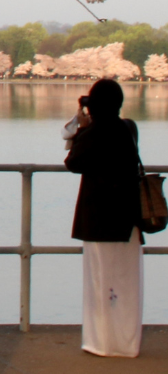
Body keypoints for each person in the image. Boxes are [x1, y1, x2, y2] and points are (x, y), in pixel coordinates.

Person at [63, 77, 143, 357]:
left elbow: (73, 162)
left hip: (98, 218)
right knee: (126, 283)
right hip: (128, 218)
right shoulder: (128, 128)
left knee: (100, 281)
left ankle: (101, 342)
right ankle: (127, 342)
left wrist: (83, 127)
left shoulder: (94, 132)